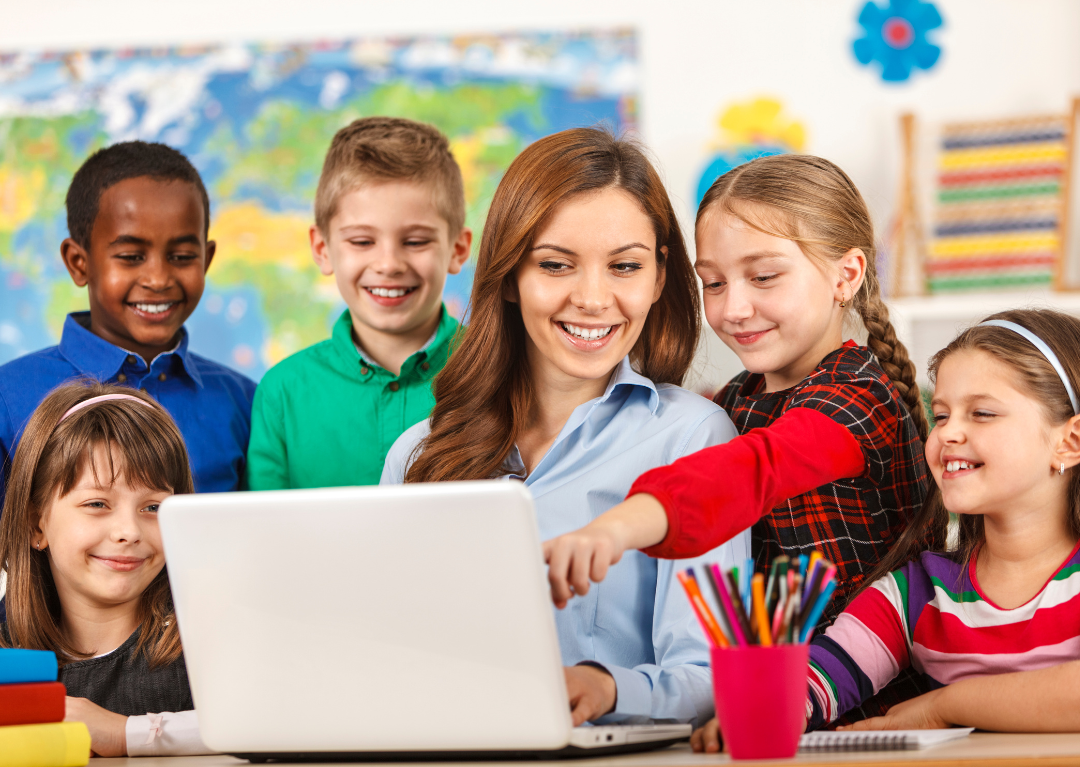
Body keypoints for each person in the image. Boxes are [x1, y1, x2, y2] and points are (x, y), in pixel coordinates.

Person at [382, 128, 750, 728]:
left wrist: (607, 688)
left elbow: (712, 673)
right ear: (508, 276)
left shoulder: (693, 437)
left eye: (624, 266)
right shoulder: (417, 454)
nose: (593, 298)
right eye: (556, 265)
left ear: (659, 277)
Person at [542, 154, 932, 719]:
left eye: (764, 276)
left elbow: (751, 471)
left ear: (846, 275)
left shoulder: (857, 396)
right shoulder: (733, 401)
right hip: (765, 711)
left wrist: (614, 529)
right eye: (714, 283)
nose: (734, 308)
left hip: (868, 710)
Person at [693, 309, 1080, 750]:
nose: (949, 433)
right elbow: (819, 679)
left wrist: (944, 707)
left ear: (1068, 442)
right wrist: (760, 712)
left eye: (982, 413)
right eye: (942, 415)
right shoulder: (916, 592)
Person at [0, 141, 256, 505]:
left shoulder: (244, 401)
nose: (158, 278)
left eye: (182, 256)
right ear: (78, 263)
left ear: (207, 258)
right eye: (131, 256)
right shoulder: (8, 397)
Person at [246, 117, 471, 489]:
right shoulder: (282, 393)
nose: (388, 265)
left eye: (415, 242)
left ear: (458, 249)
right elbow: (264, 533)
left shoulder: (501, 371)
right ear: (322, 250)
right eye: (362, 242)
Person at [0, 382, 212, 756]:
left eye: (153, 508)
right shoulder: (10, 658)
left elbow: (283, 723)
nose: (129, 532)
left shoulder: (209, 643)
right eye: (97, 503)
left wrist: (126, 733)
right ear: (36, 525)